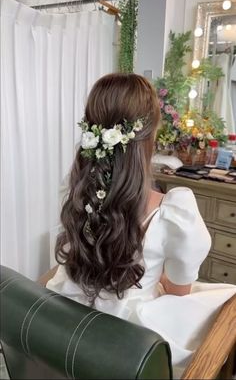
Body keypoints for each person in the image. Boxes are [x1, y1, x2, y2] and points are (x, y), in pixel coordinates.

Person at [47, 73, 236, 378]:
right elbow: (179, 291)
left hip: (76, 317)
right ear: (148, 137)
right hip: (133, 339)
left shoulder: (82, 194)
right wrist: (154, 275)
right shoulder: (175, 210)